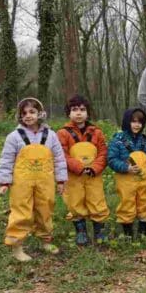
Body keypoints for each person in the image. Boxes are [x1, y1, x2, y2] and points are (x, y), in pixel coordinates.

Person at [0, 97, 67, 261]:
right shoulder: (14, 137)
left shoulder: (51, 135)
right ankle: (17, 245)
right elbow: (6, 159)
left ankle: (46, 240)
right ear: (20, 117)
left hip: (45, 182)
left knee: (45, 209)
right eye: (24, 113)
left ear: (40, 114)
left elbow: (59, 158)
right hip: (22, 183)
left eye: (32, 112)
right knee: (21, 211)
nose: (28, 115)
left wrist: (61, 180)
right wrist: (4, 182)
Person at [58, 95, 109, 246]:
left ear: (88, 113)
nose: (78, 113)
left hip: (94, 175)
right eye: (74, 110)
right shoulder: (62, 133)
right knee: (75, 201)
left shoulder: (97, 132)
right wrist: (79, 167)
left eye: (82, 109)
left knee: (97, 200)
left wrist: (95, 168)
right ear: (69, 113)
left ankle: (99, 230)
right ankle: (81, 231)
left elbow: (103, 153)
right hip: (74, 176)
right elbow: (61, 154)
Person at [107, 108, 146, 239]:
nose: (137, 125)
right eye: (133, 121)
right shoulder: (118, 140)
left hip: (143, 179)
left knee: (144, 201)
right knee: (127, 202)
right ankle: (127, 231)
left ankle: (143, 230)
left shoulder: (145, 141)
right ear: (127, 122)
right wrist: (125, 167)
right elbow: (111, 160)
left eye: (140, 122)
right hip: (125, 179)